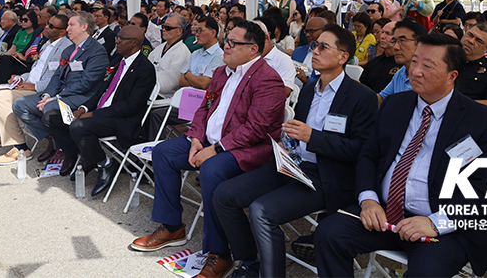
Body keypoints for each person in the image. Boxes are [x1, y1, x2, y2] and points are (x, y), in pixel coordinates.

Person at [314, 34, 487, 278]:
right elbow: (369, 155)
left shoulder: (483, 121)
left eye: (427, 66)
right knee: (329, 234)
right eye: (414, 62)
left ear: (452, 76)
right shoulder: (395, 104)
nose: (415, 71)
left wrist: (436, 222)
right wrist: (368, 199)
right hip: (384, 213)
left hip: (441, 223)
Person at [213, 25, 379, 278]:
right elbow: (295, 132)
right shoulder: (310, 90)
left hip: (327, 176)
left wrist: (314, 138)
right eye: (314, 45)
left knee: (261, 210)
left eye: (324, 46)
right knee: (224, 194)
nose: (314, 50)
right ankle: (248, 262)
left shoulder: (361, 97)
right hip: (294, 165)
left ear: (343, 57)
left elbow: (360, 150)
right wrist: (286, 143)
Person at [130, 22, 286, 278]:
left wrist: (216, 148)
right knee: (164, 153)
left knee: (212, 170)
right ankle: (172, 227)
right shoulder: (223, 72)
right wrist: (195, 138)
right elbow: (204, 108)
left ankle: (220, 253)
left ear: (253, 49)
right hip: (209, 142)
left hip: (244, 150)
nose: (226, 45)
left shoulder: (268, 78)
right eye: (227, 40)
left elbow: (256, 129)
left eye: (234, 43)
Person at [44, 25, 156, 196]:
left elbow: (131, 106)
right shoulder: (119, 61)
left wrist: (94, 114)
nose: (116, 41)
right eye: (117, 37)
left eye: (121, 39)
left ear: (134, 43)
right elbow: (101, 91)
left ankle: (105, 164)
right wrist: (83, 108)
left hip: (121, 119)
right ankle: (83, 154)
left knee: (79, 126)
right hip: (101, 112)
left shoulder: (145, 69)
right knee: (52, 117)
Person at [11, 12, 109, 172]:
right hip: (61, 95)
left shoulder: (97, 51)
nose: (67, 28)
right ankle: (59, 142)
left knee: (50, 109)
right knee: (20, 105)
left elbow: (88, 83)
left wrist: (56, 97)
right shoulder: (69, 49)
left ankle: (69, 151)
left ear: (84, 27)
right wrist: (47, 95)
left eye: (71, 25)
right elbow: (57, 77)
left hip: (82, 97)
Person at [0, 14, 71, 164]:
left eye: (51, 26)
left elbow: (57, 77)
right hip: (28, 83)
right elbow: (36, 70)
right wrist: (21, 78)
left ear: (62, 31)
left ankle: (21, 148)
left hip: (40, 90)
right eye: (47, 24)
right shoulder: (47, 44)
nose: (46, 27)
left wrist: (34, 86)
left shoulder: (65, 47)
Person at [146, 15, 225, 141]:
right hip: (186, 100)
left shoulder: (219, 56)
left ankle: (153, 154)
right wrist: (192, 78)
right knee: (148, 109)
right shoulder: (195, 54)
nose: (196, 34)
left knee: (156, 115)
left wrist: (188, 75)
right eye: (196, 31)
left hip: (201, 105)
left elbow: (204, 83)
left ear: (213, 33)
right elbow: (181, 81)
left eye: (200, 31)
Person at [377, 19, 426, 104]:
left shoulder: (427, 77)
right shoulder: (401, 73)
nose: (395, 47)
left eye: (402, 41)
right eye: (394, 41)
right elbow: (382, 98)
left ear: (420, 44)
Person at [148, 13, 191, 99]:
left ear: (179, 31)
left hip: (162, 96)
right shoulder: (159, 48)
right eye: (163, 27)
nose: (164, 30)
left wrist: (145, 78)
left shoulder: (182, 52)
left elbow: (170, 83)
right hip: (148, 89)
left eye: (168, 28)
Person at [360, 21, 401, 94]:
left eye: (388, 33)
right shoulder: (373, 63)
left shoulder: (404, 66)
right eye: (382, 32)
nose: (382, 36)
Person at [292, 17, 325, 87]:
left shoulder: (331, 56)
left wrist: (307, 80)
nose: (307, 35)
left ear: (324, 31)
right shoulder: (298, 51)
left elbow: (330, 84)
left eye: (311, 31)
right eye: (306, 31)